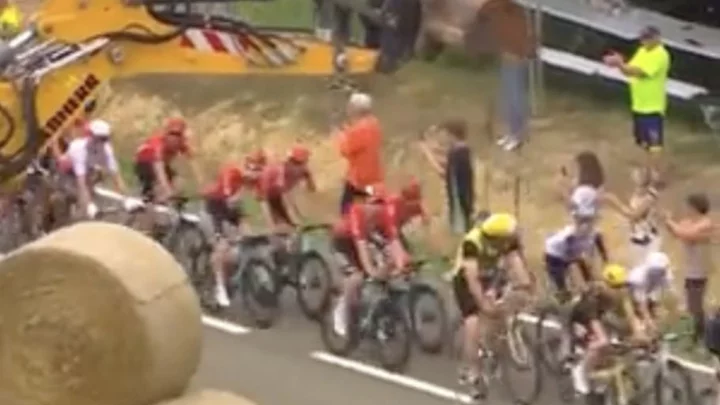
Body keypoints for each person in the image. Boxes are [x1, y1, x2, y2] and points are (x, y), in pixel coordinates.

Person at [451, 212, 532, 399]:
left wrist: (525, 285)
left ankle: (495, 348)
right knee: (473, 324)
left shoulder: (508, 239)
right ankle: (474, 374)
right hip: (466, 280)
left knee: (501, 310)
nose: (512, 240)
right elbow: (471, 279)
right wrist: (482, 304)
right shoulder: (472, 242)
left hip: (491, 275)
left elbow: (517, 264)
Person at [330, 183, 410, 337]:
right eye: (375, 205)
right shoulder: (357, 213)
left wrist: (401, 265)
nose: (378, 210)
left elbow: (395, 243)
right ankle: (341, 313)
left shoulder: (385, 216)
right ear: (368, 203)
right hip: (342, 242)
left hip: (364, 240)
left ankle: (378, 315)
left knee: (387, 268)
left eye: (382, 206)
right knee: (357, 277)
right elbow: (362, 249)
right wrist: (372, 271)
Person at [567, 264, 648, 397]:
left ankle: (605, 373)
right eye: (615, 287)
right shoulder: (592, 298)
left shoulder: (622, 295)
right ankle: (580, 369)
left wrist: (640, 334)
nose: (619, 290)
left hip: (601, 317)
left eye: (622, 285)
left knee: (624, 338)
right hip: (584, 317)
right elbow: (593, 320)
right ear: (604, 285)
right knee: (603, 342)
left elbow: (631, 317)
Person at [603, 25, 671, 183]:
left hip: (653, 106)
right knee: (643, 143)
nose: (643, 41)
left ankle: (656, 176)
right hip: (639, 105)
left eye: (646, 38)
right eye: (642, 38)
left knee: (655, 144)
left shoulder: (660, 55)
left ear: (656, 38)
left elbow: (639, 72)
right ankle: (647, 172)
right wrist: (618, 64)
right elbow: (629, 70)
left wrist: (620, 63)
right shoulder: (642, 51)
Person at [201, 151, 266, 308]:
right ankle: (219, 287)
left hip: (234, 210)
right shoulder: (232, 173)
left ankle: (235, 270)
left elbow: (261, 205)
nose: (254, 174)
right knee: (223, 245)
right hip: (216, 207)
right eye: (251, 169)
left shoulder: (257, 181)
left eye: (258, 170)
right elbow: (231, 201)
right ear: (245, 166)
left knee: (250, 238)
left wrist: (263, 224)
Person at [661, 192, 714, 347]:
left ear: (695, 207)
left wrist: (670, 222)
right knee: (692, 305)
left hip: (700, 271)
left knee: (695, 306)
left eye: (688, 206)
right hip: (691, 270)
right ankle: (698, 334)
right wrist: (667, 221)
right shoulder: (690, 221)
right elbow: (677, 232)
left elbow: (686, 234)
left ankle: (702, 336)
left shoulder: (705, 224)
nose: (686, 209)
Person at [62, 119, 134, 218]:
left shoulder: (106, 150)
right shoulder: (79, 150)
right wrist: (89, 205)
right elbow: (81, 184)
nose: (103, 142)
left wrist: (127, 199)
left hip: (88, 169)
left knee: (96, 177)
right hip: (67, 171)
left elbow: (117, 178)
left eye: (105, 139)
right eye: (101, 138)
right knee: (80, 200)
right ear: (91, 136)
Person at [419, 118, 474, 234]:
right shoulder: (463, 150)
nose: (444, 138)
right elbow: (446, 159)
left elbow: (443, 172)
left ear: (451, 135)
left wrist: (427, 153)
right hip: (466, 198)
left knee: (460, 232)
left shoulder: (456, 153)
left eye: (445, 135)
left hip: (459, 201)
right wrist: (431, 148)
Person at [544, 207, 609, 301]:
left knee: (586, 275)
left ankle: (588, 289)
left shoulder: (594, 232)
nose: (587, 225)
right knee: (561, 281)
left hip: (573, 253)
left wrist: (606, 261)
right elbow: (569, 255)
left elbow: (599, 244)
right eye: (583, 222)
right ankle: (563, 295)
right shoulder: (570, 235)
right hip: (555, 254)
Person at [134, 117, 203, 201]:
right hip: (144, 163)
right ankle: (151, 194)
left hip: (161, 165)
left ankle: (159, 198)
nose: (174, 138)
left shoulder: (181, 144)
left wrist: (201, 184)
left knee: (178, 183)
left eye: (178, 135)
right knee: (157, 186)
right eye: (172, 134)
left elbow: (194, 163)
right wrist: (167, 190)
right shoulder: (158, 143)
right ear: (166, 134)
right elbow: (158, 168)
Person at [336, 92, 383, 214]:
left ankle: (349, 227)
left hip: (358, 178)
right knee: (373, 203)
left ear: (355, 109)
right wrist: (348, 132)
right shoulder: (374, 123)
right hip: (374, 174)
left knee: (345, 208)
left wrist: (341, 136)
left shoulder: (358, 129)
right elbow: (362, 143)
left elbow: (345, 151)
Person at [604, 166, 661, 267]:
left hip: (646, 239)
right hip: (637, 235)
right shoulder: (638, 192)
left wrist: (615, 202)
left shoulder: (650, 196)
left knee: (644, 268)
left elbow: (634, 215)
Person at [256, 145, 316, 232]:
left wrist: (310, 184)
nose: (308, 160)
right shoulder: (285, 168)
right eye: (306, 158)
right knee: (275, 216)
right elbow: (282, 186)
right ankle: (282, 227)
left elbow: (310, 185)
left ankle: (289, 225)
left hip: (274, 190)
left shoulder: (302, 168)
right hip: (266, 190)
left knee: (281, 217)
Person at [627, 251, 680, 335]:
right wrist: (650, 323)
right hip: (631, 294)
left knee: (656, 313)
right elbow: (642, 304)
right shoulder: (638, 278)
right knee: (639, 321)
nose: (659, 274)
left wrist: (675, 311)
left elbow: (672, 294)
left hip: (647, 292)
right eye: (657, 271)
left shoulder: (664, 273)